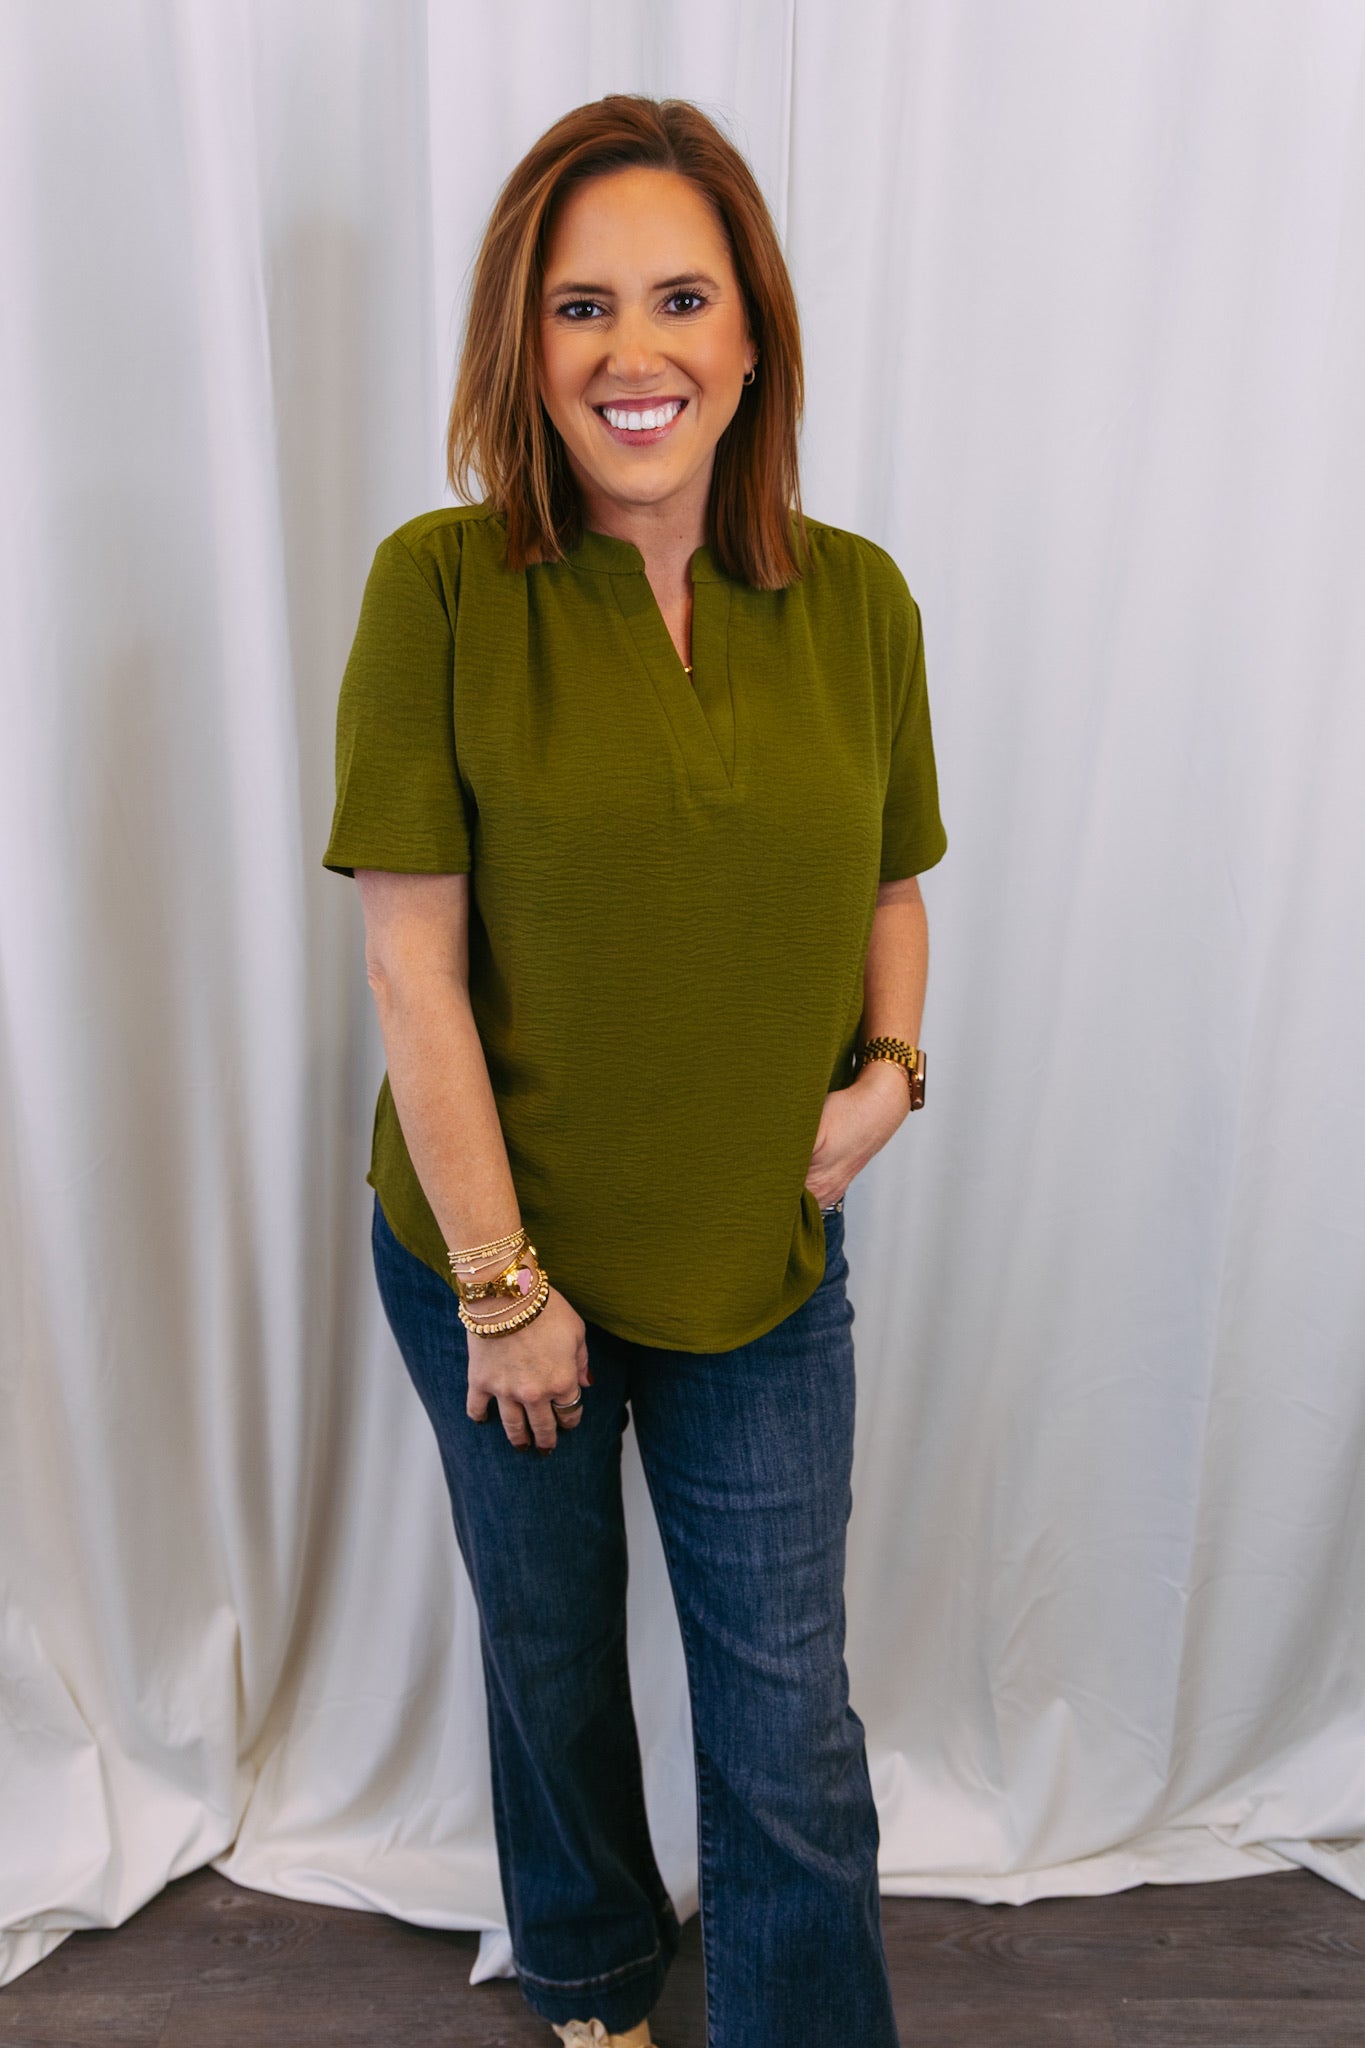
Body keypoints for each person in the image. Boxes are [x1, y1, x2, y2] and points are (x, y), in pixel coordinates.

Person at [323, 92, 945, 2048]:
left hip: (760, 1262)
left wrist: (892, 1071)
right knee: (551, 1659)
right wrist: (506, 1295)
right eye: (578, 306)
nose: (632, 348)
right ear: (525, 347)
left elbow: (890, 884)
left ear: (748, 334)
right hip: (497, 1266)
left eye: (679, 296)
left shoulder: (854, 598)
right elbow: (410, 967)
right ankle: (592, 1978)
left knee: (785, 1724)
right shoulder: (436, 586)